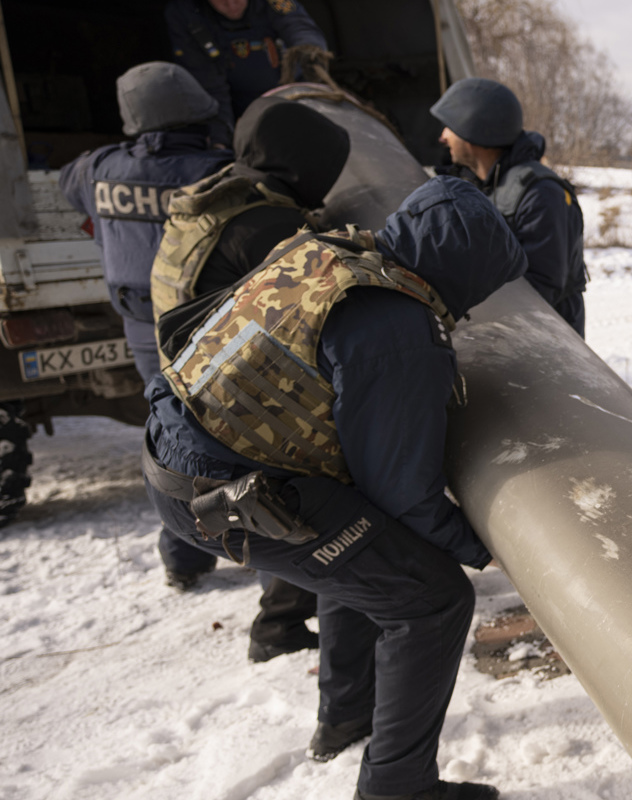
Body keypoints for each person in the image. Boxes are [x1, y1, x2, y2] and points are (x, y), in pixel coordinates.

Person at [143, 174, 526, 799]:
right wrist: (493, 550)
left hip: (178, 447)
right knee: (430, 599)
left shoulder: (326, 253)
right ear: (467, 271)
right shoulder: (397, 329)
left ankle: (346, 714)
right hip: (224, 492)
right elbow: (405, 494)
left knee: (368, 547)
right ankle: (397, 789)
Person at [151, 95, 351, 662]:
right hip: (233, 408)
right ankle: (280, 627)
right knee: (323, 501)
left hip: (191, 392)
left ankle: (280, 624)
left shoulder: (218, 200)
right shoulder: (269, 226)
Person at [58, 61, 233, 591]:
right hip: (214, 325)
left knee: (170, 435)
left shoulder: (97, 169)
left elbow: (72, 192)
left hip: (143, 329)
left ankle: (183, 559)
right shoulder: (218, 170)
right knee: (233, 435)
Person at [430, 78, 587, 337]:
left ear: (474, 131)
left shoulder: (541, 194)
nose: (443, 137)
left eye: (450, 126)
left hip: (545, 347)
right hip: (500, 335)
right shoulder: (479, 184)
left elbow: (538, 291)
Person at [164, 0, 327, 146]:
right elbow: (209, 83)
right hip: (236, 108)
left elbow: (298, 26)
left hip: (290, 96)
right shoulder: (185, 12)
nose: (231, 5)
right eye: (222, 1)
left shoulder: (273, 3)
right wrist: (220, 140)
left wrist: (308, 50)